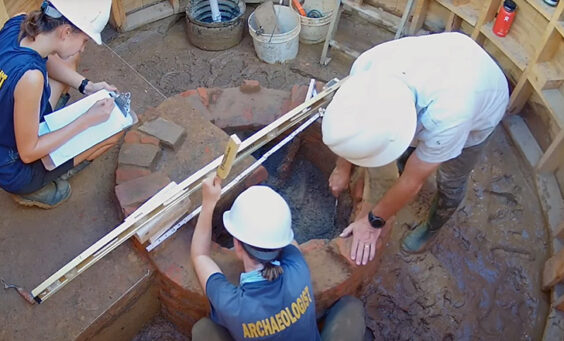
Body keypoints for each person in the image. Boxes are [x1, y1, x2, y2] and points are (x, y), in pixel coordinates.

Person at [322, 32, 509, 262]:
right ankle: (402, 165)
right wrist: (342, 168)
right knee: (408, 157)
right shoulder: (367, 67)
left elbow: (414, 181)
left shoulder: (450, 118)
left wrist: (373, 222)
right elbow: (349, 127)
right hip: (448, 61)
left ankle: (433, 225)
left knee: (450, 179)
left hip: (482, 99)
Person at [191, 177, 366, 341]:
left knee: (203, 329)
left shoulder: (233, 306)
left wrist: (208, 203)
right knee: (351, 306)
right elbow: (290, 244)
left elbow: (199, 255)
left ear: (237, 245)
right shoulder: (298, 269)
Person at [0, 0, 121, 209]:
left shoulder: (17, 22)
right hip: (13, 163)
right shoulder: (30, 78)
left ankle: (51, 166)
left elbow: (46, 59)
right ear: (65, 32)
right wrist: (86, 120)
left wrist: (88, 86)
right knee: (112, 132)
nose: (83, 47)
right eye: (84, 40)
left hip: (8, 124)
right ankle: (35, 186)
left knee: (68, 62)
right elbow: (28, 152)